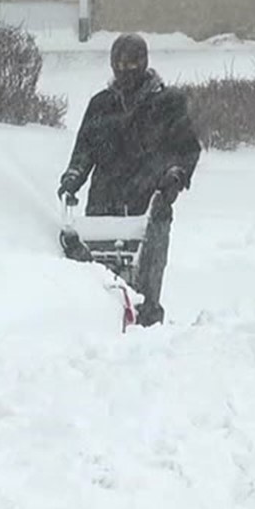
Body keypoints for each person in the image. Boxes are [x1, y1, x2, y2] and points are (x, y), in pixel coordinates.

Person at [57, 33, 202, 327]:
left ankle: (146, 329)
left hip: (150, 203)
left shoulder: (167, 103)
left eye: (133, 62)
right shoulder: (101, 105)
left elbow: (186, 149)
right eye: (120, 63)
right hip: (103, 205)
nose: (126, 69)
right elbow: (85, 148)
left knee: (147, 276)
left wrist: (175, 177)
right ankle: (104, 324)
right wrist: (73, 178)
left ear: (145, 62)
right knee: (100, 276)